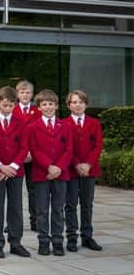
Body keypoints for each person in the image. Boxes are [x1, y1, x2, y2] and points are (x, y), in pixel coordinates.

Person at [0, 86, 31, 259]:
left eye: (11, 105)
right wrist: (0, 166)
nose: (8, 108)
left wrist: (12, 166)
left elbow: (24, 147)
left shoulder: (21, 123)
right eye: (4, 105)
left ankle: (16, 242)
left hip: (15, 172)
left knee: (16, 207)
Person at [27, 89, 73, 257]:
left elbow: (69, 150)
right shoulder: (32, 128)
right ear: (38, 107)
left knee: (58, 208)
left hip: (61, 174)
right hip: (42, 174)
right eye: (44, 104)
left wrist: (59, 168)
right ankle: (43, 241)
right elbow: (35, 149)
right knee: (42, 210)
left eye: (51, 104)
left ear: (57, 106)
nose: (48, 107)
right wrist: (49, 166)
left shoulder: (66, 127)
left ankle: (58, 240)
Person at [64, 90, 103, 252]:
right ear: (68, 105)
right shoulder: (64, 123)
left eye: (80, 102)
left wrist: (88, 164)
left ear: (86, 104)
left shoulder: (94, 123)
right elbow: (65, 147)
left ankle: (87, 236)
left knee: (87, 204)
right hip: (71, 170)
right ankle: (72, 237)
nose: (77, 105)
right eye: (74, 102)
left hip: (89, 171)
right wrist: (76, 164)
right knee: (71, 204)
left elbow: (98, 146)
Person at [13, 80, 40, 231]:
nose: (25, 95)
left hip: (32, 156)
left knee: (33, 189)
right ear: (17, 94)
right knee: (14, 191)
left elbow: (38, 134)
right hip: (15, 157)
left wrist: (30, 152)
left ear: (32, 94)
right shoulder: (12, 110)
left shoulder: (38, 111)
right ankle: (14, 221)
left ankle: (35, 220)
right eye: (22, 92)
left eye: (28, 92)